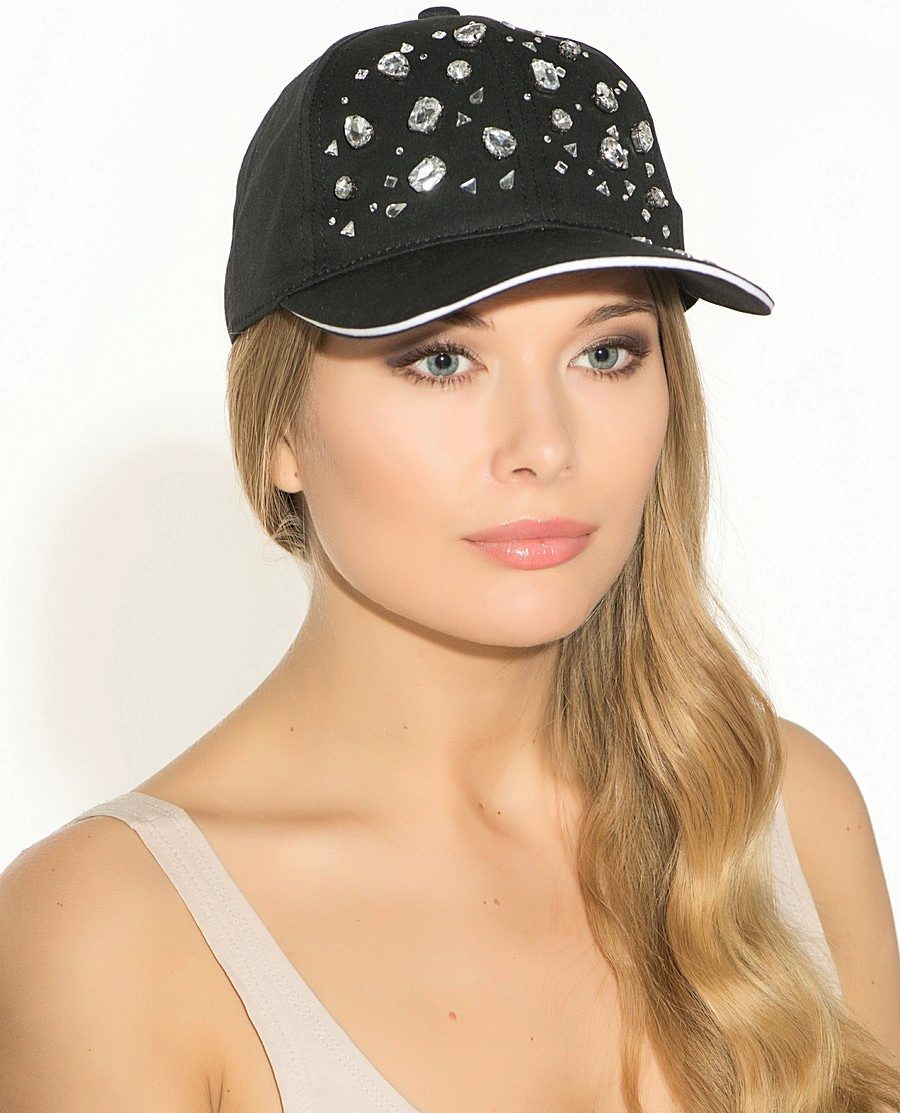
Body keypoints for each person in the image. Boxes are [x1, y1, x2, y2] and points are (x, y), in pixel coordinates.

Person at [1, 8, 898, 1112]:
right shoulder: (110, 929)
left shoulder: (783, 815)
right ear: (280, 430)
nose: (545, 447)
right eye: (440, 360)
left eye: (606, 353)